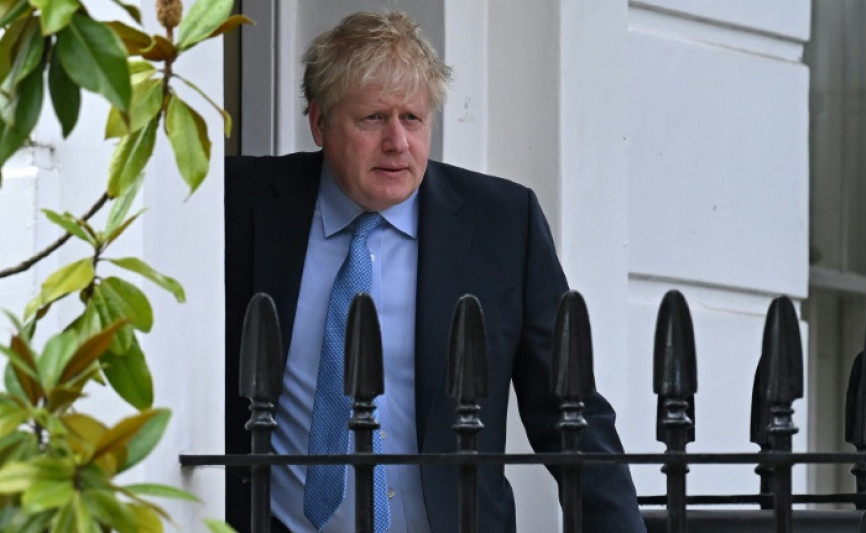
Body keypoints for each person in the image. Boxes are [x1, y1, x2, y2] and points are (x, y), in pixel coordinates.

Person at [224, 10, 647, 533]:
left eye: (413, 118)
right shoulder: (240, 204)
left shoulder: (501, 224)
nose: (397, 142)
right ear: (319, 123)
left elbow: (567, 409)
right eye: (373, 118)